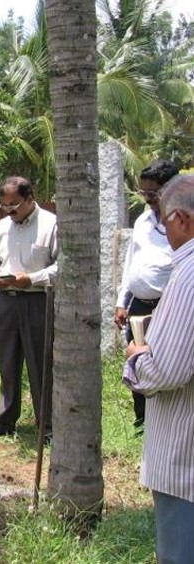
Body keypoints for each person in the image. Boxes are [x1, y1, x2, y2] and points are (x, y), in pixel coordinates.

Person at [122, 173, 194, 563]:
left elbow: (167, 371)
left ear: (180, 219)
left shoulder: (188, 274)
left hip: (184, 460)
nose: (164, 231)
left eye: (165, 222)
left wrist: (137, 356)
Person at [0, 176, 58, 440]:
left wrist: (32, 279)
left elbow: (62, 267)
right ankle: (4, 421)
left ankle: (46, 426)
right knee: (7, 361)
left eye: (14, 205)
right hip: (6, 301)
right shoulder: (2, 227)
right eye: (4, 206)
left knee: (40, 364)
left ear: (29, 198)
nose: (9, 211)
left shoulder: (51, 224)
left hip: (37, 300)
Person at [114, 159, 179, 430]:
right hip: (139, 305)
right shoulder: (142, 221)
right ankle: (142, 420)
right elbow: (132, 262)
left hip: (169, 305)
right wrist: (122, 302)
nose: (148, 198)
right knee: (137, 359)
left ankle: (167, 420)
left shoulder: (184, 221)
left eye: (153, 193)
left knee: (164, 361)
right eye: (144, 193)